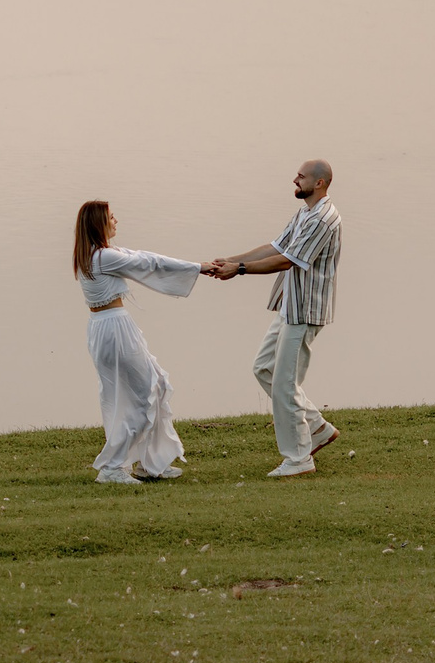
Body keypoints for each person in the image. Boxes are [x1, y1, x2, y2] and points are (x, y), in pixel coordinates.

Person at [204, 160, 343, 478]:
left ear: (319, 183)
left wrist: (238, 271)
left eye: (302, 176)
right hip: (290, 307)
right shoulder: (306, 212)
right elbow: (276, 246)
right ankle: (318, 428)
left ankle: (299, 458)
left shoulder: (323, 218)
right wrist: (232, 259)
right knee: (264, 368)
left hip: (306, 310)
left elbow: (286, 261)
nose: (295, 179)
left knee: (284, 383)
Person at [72, 200, 201, 485]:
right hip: (114, 328)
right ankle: (113, 468)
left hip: (110, 327)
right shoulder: (103, 257)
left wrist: (195, 267)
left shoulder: (98, 254)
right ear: (99, 224)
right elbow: (149, 262)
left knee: (156, 384)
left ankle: (149, 462)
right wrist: (199, 268)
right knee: (142, 398)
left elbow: (139, 255)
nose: (116, 220)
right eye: (111, 217)